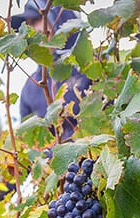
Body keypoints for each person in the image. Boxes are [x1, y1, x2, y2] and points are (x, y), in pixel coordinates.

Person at [13, 0, 90, 141]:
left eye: (36, 20)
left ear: (60, 22)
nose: (31, 29)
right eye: (28, 23)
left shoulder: (89, 70)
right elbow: (28, 143)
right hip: (51, 162)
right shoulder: (30, 88)